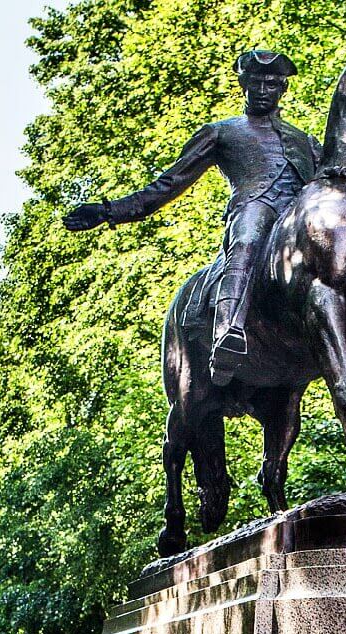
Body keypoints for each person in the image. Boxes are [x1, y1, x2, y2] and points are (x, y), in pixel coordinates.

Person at [64, 49, 319, 385]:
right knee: (246, 240)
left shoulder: (304, 140)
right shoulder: (221, 133)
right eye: (255, 82)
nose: (262, 89)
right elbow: (169, 184)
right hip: (255, 206)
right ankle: (228, 330)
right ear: (243, 85)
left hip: (300, 216)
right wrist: (109, 210)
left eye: (271, 83)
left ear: (282, 88)